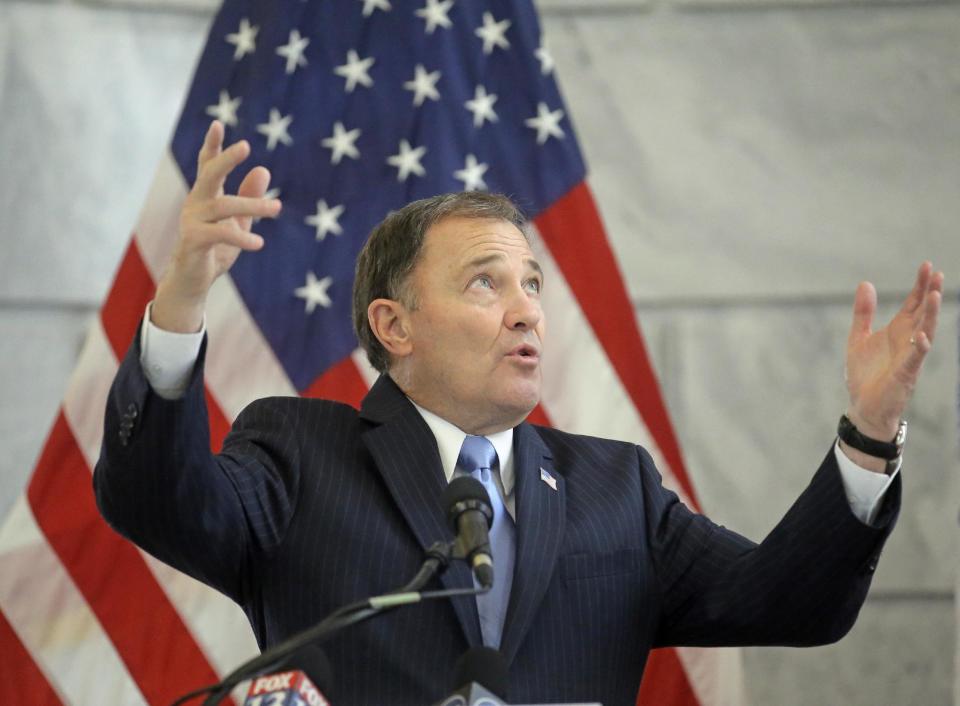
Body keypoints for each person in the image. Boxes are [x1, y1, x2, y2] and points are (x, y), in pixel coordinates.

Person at [94, 122, 943, 706]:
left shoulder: (617, 488)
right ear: (396, 326)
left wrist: (867, 438)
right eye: (485, 283)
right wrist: (182, 301)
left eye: (532, 283)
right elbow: (155, 501)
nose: (528, 310)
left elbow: (789, 603)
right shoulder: (300, 452)